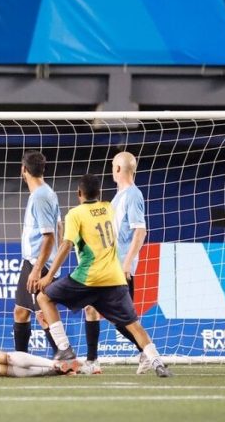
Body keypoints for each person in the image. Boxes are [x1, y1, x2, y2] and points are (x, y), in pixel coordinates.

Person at [35, 174, 172, 378]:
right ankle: (157, 362)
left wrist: (49, 276)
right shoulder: (109, 208)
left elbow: (66, 245)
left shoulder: (75, 214)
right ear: (99, 194)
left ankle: (64, 349)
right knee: (134, 325)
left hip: (88, 278)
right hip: (115, 278)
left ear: (78, 193)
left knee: (43, 297)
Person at [81, 152, 149, 375]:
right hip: (108, 266)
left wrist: (127, 264)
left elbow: (140, 231)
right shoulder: (118, 197)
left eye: (113, 166)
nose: (112, 170)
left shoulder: (133, 195)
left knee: (122, 320)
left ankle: (148, 352)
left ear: (119, 169)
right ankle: (92, 361)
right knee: (91, 307)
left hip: (120, 268)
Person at [17, 151, 61, 355]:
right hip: (34, 262)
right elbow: (59, 226)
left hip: (38, 264)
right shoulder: (44, 193)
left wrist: (37, 270)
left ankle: (63, 355)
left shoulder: (41, 197)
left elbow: (49, 236)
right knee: (21, 311)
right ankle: (22, 357)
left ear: (24, 170)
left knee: (43, 314)